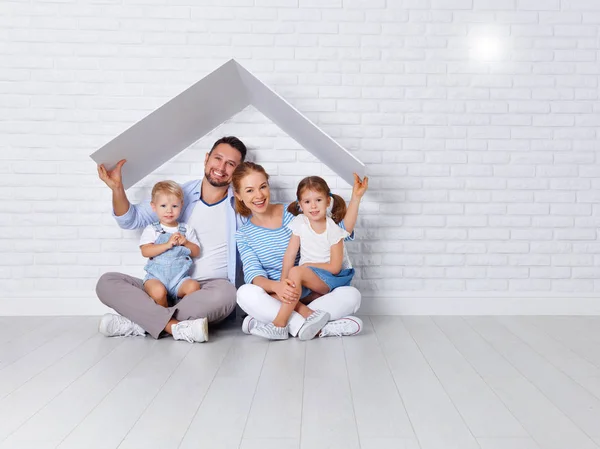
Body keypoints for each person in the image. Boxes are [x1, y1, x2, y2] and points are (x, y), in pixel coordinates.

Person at [95, 136, 247, 343]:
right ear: (206, 159)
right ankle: (174, 327)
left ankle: (140, 322)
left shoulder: (240, 205)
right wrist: (117, 189)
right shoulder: (180, 195)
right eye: (217, 158)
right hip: (160, 287)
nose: (221, 167)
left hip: (203, 293)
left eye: (231, 164)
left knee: (228, 293)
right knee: (107, 282)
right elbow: (130, 220)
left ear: (237, 171)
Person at [233, 162, 368, 340]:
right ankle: (314, 325)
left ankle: (274, 323)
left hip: (312, 293)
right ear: (239, 195)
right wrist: (279, 287)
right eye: (249, 190)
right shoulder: (244, 234)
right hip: (276, 296)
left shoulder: (295, 216)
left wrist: (356, 199)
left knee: (352, 295)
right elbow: (254, 274)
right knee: (244, 293)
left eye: (263, 187)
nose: (259, 195)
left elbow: (338, 232)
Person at [140, 180, 201, 308]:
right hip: (156, 278)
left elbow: (196, 252)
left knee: (194, 287)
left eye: (174, 206)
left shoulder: (186, 229)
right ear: (153, 206)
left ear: (181, 205)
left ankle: (180, 310)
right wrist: (167, 245)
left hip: (179, 279)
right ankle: (165, 313)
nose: (169, 211)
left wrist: (186, 242)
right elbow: (146, 251)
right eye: (163, 206)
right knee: (158, 292)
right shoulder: (152, 229)